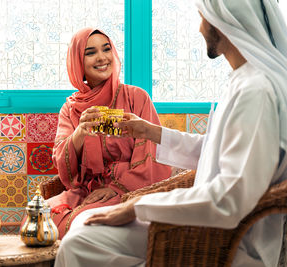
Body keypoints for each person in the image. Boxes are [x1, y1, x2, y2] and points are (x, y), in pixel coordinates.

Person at [54, 0, 287, 266]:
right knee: (83, 226)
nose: (200, 29)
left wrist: (136, 205)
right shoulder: (245, 82)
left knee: (80, 242)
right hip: (208, 219)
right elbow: (216, 149)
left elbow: (229, 200)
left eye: (202, 18)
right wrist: (150, 131)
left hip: (227, 238)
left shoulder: (256, 92)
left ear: (223, 24)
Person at [48, 28, 172, 239]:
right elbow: (63, 164)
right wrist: (80, 132)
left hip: (130, 190)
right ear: (78, 63)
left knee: (84, 227)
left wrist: (116, 188)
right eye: (90, 52)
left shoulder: (136, 98)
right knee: (39, 218)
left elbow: (152, 157)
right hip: (86, 192)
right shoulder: (70, 109)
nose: (102, 58)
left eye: (106, 49)